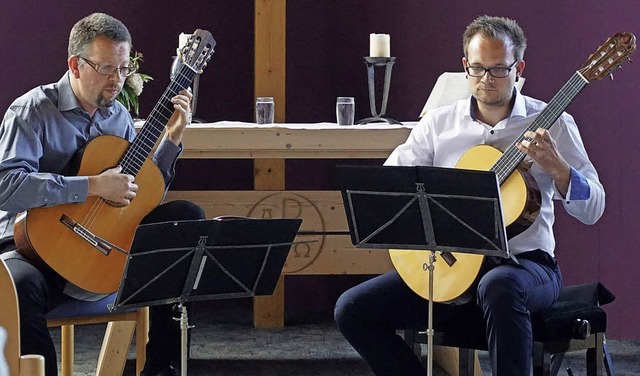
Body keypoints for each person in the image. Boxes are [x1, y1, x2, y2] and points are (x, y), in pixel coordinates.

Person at [334, 15, 605, 375]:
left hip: (527, 266)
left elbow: (594, 208)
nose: (486, 80)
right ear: (464, 66)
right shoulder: (438, 124)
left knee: (499, 284)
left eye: (497, 70)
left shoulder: (552, 123)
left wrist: (560, 170)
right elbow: (391, 184)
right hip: (452, 267)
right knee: (352, 309)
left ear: (519, 67)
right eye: (477, 69)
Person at [0, 13, 204, 376]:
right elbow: (6, 187)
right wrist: (92, 185)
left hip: (100, 255)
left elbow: (135, 197)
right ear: (75, 66)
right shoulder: (31, 110)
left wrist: (172, 139)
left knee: (185, 219)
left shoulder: (119, 118)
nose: (118, 80)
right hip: (30, 253)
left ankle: (162, 368)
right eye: (107, 69)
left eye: (124, 69)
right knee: (18, 288)